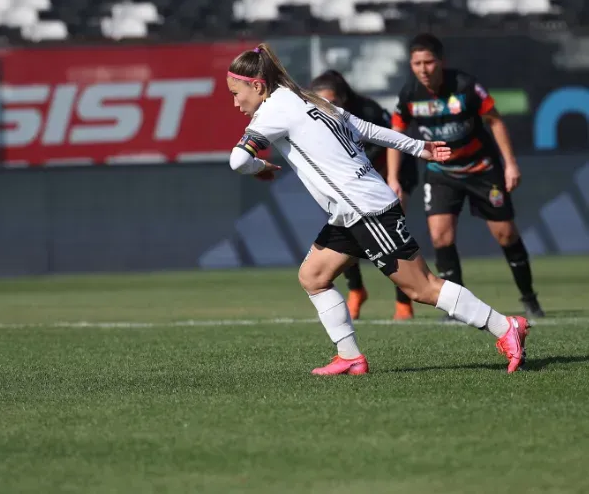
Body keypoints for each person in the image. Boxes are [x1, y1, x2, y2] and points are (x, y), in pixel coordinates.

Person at [227, 43, 529, 375]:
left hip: (365, 209)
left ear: (257, 85)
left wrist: (260, 168)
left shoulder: (273, 111)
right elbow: (367, 130)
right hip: (352, 209)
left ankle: (505, 327)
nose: (235, 101)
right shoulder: (310, 99)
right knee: (313, 276)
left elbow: (238, 160)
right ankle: (350, 357)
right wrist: (418, 146)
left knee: (421, 287)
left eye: (236, 91)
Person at [388, 33, 544, 320]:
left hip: (482, 169)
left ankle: (529, 298)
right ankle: (457, 308)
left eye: (429, 62)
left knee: (505, 234)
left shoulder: (465, 85)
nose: (423, 69)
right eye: (417, 63)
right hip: (441, 173)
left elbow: (495, 121)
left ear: (441, 62)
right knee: (440, 236)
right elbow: (395, 135)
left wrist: (510, 164)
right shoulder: (409, 94)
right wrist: (393, 178)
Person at [310, 70, 418, 321]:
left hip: (392, 171)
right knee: (346, 231)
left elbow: (388, 141)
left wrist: (392, 180)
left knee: (393, 236)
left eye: (332, 101)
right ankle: (357, 291)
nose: (327, 107)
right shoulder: (315, 119)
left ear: (344, 98)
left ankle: (404, 301)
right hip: (354, 180)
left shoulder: (367, 111)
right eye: (320, 102)